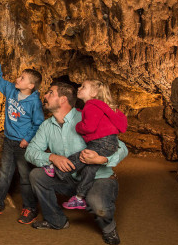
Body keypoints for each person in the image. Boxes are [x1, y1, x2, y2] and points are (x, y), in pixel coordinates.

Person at [25, 81, 128, 245]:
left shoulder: (88, 116)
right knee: (37, 175)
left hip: (98, 178)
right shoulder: (46, 126)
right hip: (69, 179)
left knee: (99, 206)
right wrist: (52, 157)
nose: (44, 96)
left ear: (63, 99)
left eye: (50, 93)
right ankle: (56, 221)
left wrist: (102, 159)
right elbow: (30, 152)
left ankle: (108, 228)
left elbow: (122, 147)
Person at [0, 54, 45, 225]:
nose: (18, 78)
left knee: (25, 177)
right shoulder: (11, 90)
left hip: (22, 144)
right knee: (5, 174)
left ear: (30, 85)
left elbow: (38, 123)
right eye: (19, 76)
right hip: (8, 140)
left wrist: (27, 139)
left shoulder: (34, 103)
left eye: (22, 78)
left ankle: (30, 208)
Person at [45, 79, 128, 210]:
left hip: (101, 142)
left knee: (81, 156)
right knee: (89, 169)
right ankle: (79, 197)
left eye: (83, 87)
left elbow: (89, 127)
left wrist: (78, 126)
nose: (79, 88)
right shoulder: (99, 107)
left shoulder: (91, 105)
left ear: (94, 93)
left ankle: (56, 170)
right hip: (110, 143)